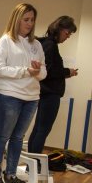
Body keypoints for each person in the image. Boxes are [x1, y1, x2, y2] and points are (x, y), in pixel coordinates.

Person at [0, 3, 47, 183]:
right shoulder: (6, 41)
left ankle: (11, 174)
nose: (30, 24)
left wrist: (37, 71)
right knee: (2, 136)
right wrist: (25, 71)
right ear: (17, 19)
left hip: (31, 98)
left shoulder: (36, 44)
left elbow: (44, 73)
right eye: (26, 19)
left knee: (18, 138)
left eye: (32, 20)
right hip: (9, 96)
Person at [28, 16, 78, 153]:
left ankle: (32, 164)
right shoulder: (50, 45)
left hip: (45, 92)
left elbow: (48, 71)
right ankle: (34, 163)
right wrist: (68, 71)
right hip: (50, 94)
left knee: (39, 128)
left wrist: (65, 73)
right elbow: (49, 71)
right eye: (67, 33)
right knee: (42, 129)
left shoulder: (45, 44)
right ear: (59, 29)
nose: (67, 37)